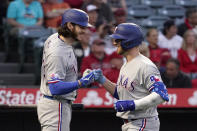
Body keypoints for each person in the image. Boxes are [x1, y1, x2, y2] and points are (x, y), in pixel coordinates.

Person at [88, 23, 169, 131]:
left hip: (143, 123)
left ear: (129, 41)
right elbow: (121, 94)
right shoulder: (126, 64)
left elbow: (161, 95)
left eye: (118, 40)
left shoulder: (145, 65)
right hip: (130, 124)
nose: (114, 43)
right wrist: (102, 80)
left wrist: (133, 104)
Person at [37, 9, 95, 131]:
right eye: (81, 27)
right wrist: (81, 82)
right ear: (69, 25)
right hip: (55, 105)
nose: (85, 31)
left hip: (55, 104)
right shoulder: (58, 52)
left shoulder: (55, 37)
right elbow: (55, 88)